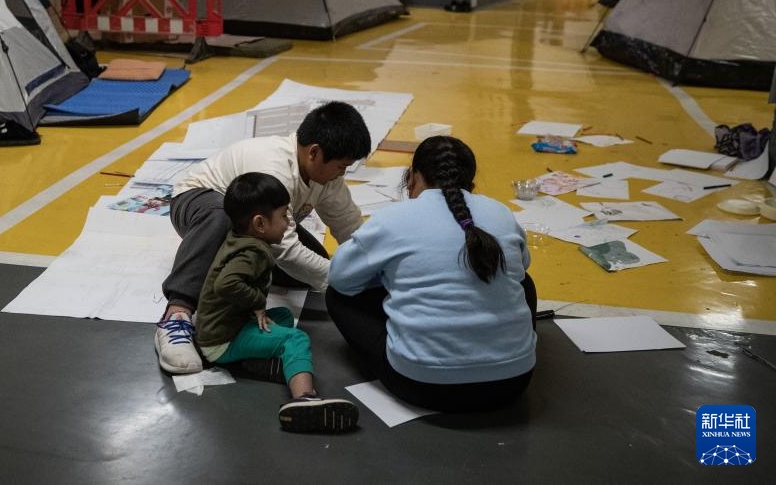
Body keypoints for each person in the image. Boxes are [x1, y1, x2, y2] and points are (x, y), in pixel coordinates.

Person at [154, 101, 371, 374]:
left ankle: (226, 270)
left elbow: (349, 225)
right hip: (198, 202)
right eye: (341, 167)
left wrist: (374, 267)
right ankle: (177, 314)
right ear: (314, 152)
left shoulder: (327, 177)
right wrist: (344, 281)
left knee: (313, 265)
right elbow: (287, 250)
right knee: (222, 218)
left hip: (252, 228)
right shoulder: (274, 166)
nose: (342, 174)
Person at [326, 135, 537, 412]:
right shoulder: (500, 213)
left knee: (338, 296)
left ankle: (417, 347)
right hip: (513, 382)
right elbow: (522, 266)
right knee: (525, 283)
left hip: (424, 386)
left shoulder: (393, 218)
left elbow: (340, 277)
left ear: (413, 177)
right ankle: (506, 349)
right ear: (471, 184)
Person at [195, 172, 359, 433]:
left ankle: (256, 363)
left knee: (281, 315)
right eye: (284, 216)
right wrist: (258, 302)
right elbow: (225, 284)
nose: (287, 223)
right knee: (295, 339)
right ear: (260, 223)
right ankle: (305, 399)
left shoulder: (242, 240)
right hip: (221, 340)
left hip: (220, 329)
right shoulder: (252, 252)